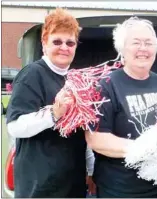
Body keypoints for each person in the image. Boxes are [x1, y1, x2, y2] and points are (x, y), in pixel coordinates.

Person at [85, 17, 157, 198]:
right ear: (122, 48)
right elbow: (96, 139)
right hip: (123, 189)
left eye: (149, 43)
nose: (143, 48)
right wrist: (144, 147)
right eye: (136, 42)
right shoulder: (107, 85)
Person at [6, 8, 95, 198]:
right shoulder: (32, 75)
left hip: (72, 186)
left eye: (70, 42)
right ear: (44, 43)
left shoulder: (76, 79)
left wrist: (91, 170)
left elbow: (84, 133)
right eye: (57, 41)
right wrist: (54, 113)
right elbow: (14, 127)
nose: (64, 47)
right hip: (40, 188)